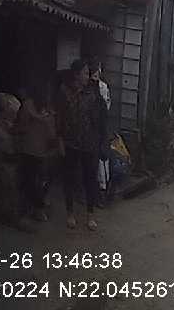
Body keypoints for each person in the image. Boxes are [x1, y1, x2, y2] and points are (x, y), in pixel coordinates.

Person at [55, 60, 105, 231]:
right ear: (76, 74)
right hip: (70, 142)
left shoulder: (92, 93)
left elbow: (99, 118)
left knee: (89, 178)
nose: (87, 76)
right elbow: (59, 117)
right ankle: (70, 213)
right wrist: (59, 139)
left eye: (88, 73)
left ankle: (90, 214)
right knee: (69, 178)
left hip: (89, 143)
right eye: (84, 73)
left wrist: (99, 140)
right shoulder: (64, 91)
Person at [0, 93, 35, 233]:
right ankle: (11, 217)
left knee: (13, 189)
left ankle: (13, 216)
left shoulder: (11, 121)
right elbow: (4, 143)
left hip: (11, 160)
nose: (14, 115)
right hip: (2, 160)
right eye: (11, 112)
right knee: (6, 189)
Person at [13, 82, 56, 222]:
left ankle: (32, 208)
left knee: (28, 180)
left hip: (28, 148)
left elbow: (21, 127)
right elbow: (52, 133)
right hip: (44, 150)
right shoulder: (49, 109)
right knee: (40, 180)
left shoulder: (27, 106)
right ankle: (39, 208)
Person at [88, 61, 111, 205]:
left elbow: (106, 107)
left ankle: (102, 192)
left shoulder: (102, 87)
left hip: (98, 129)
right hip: (87, 131)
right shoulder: (83, 88)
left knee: (101, 163)